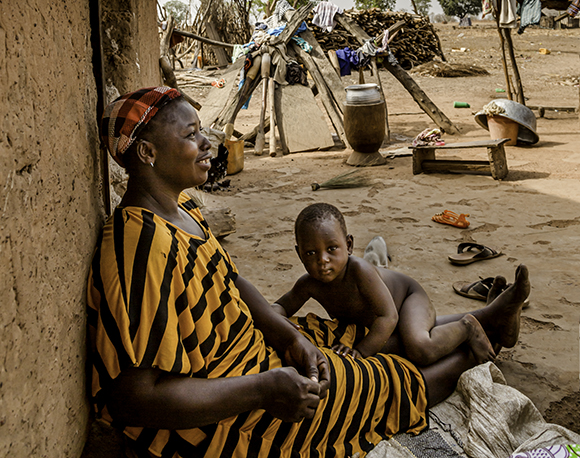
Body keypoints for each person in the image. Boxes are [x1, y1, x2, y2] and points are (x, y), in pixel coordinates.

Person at [87, 87, 530, 458]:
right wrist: (264, 388)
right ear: (147, 152)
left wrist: (289, 336)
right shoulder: (141, 246)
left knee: (355, 337)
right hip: (221, 410)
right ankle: (472, 354)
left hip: (252, 352)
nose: (207, 143)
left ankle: (488, 319)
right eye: (191, 135)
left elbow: (232, 284)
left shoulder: (180, 208)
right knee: (378, 381)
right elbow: (134, 398)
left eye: (202, 130)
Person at [273, 203, 499, 366]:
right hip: (383, 321)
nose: (322, 260)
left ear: (349, 245)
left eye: (332, 248)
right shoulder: (308, 284)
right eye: (311, 253)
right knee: (399, 344)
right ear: (299, 254)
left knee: (420, 349)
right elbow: (279, 307)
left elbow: (388, 317)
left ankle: (467, 327)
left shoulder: (360, 271)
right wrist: (279, 321)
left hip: (407, 300)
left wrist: (360, 352)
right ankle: (492, 317)